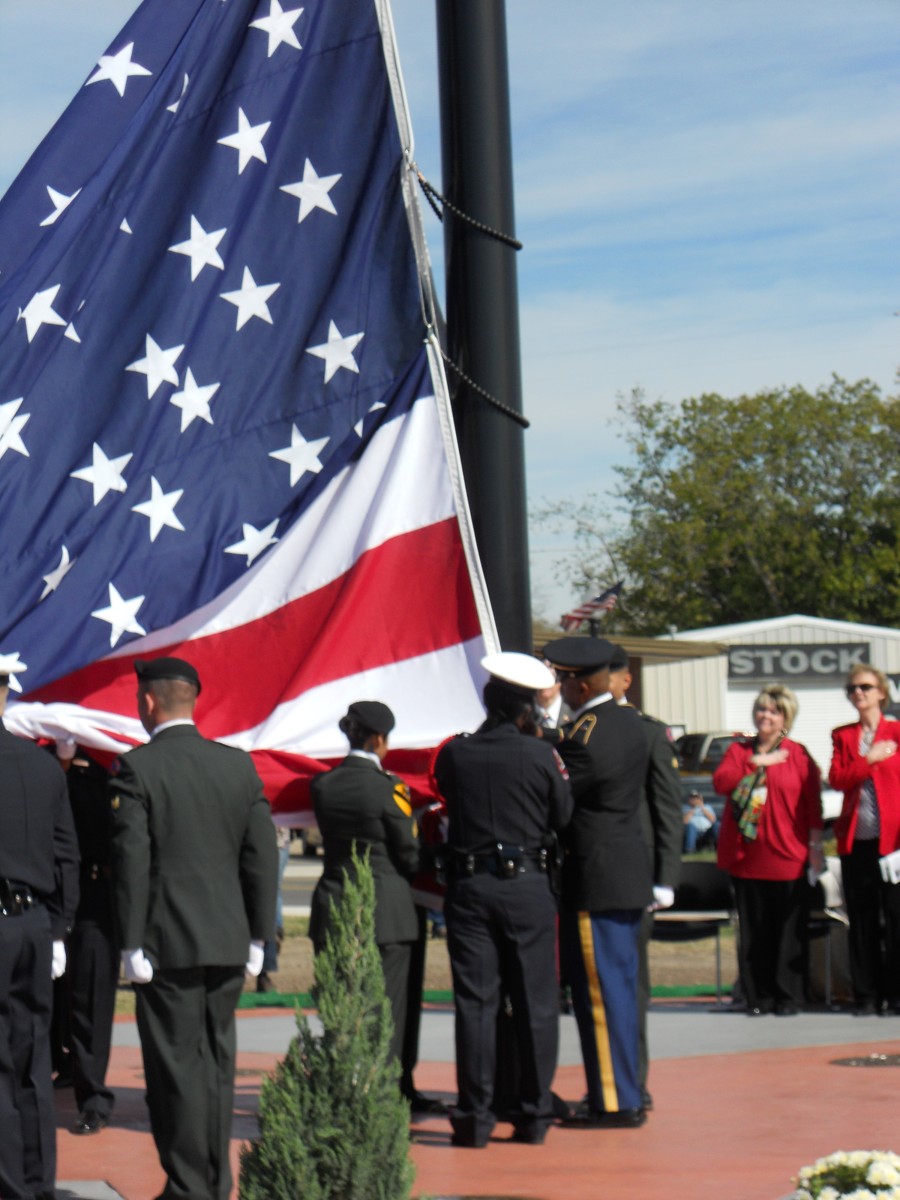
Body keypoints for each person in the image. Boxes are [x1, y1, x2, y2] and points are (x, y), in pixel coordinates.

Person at [109, 656, 278, 1200]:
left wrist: (130, 943)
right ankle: (213, 1181)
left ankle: (188, 1187)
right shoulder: (238, 766)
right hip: (227, 941)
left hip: (167, 946)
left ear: (149, 702)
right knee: (216, 1067)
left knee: (175, 1072)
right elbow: (261, 857)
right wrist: (259, 937)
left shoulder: (138, 768)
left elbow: (132, 861)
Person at [433, 652, 573, 1147]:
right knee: (535, 1003)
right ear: (526, 711)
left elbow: (447, 793)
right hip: (527, 886)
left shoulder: (456, 752)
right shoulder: (540, 755)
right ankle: (533, 1116)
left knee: (475, 1003)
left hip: (470, 887)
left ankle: (474, 1117)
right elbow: (562, 815)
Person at [542, 636, 652, 1129]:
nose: (561, 687)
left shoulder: (587, 734)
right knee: (619, 992)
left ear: (580, 684)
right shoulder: (628, 722)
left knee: (601, 995)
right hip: (621, 873)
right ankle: (620, 1089)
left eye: (563, 679)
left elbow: (559, 795)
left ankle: (615, 1100)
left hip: (597, 875)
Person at [0, 652, 80, 1199]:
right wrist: (56, 927)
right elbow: (65, 855)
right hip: (31, 925)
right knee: (31, 1064)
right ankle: (33, 1184)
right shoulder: (40, 765)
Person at [309, 700, 420, 1070]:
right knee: (386, 1010)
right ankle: (379, 1097)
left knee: (340, 1007)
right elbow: (408, 850)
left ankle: (342, 1085)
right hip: (385, 910)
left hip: (335, 900)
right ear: (379, 739)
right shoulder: (390, 788)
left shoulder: (324, 785)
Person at [714, 684, 823, 1016]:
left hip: (789, 855)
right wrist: (757, 761)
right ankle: (758, 996)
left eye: (774, 711)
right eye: (762, 709)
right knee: (754, 931)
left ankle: (787, 996)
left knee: (787, 932)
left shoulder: (799, 754)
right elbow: (722, 782)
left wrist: (815, 849)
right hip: (747, 857)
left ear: (786, 717)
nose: (766, 716)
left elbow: (812, 807)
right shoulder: (739, 752)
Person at [607, 644, 681, 1113]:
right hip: (585, 874)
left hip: (634, 876)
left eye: (597, 675)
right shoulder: (573, 731)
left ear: (624, 679)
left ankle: (633, 1081)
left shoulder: (648, 732)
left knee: (631, 984)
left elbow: (666, 807)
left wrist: (665, 877)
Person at [53, 741, 119, 1136]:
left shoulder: (117, 774)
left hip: (107, 894)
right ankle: (76, 1079)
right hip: (72, 894)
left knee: (90, 999)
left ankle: (93, 1095)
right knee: (73, 998)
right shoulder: (63, 773)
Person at [829, 663, 900, 1015]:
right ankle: (867, 995)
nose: (859, 693)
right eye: (853, 689)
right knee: (863, 919)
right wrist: (869, 759)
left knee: (896, 919)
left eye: (865, 687)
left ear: (882, 693)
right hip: (857, 840)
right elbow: (838, 779)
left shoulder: (897, 732)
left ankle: (896, 994)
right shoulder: (844, 736)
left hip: (894, 844)